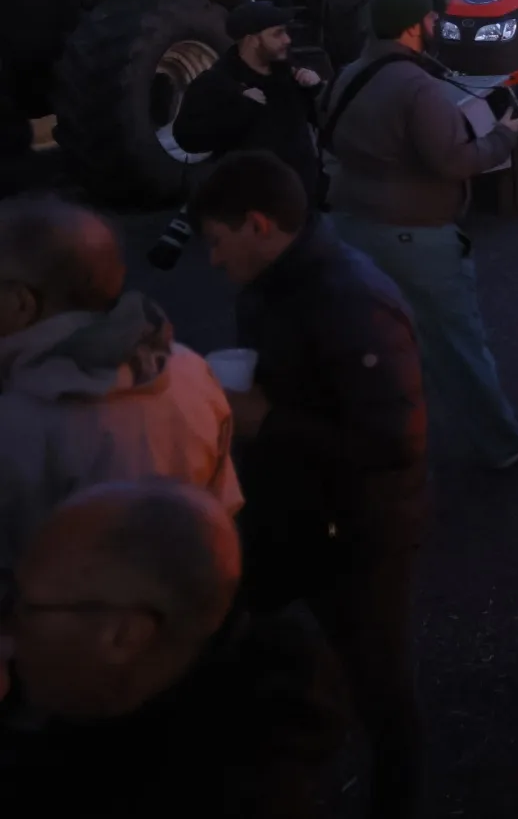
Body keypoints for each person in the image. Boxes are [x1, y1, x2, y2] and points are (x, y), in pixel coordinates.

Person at [189, 152, 427, 819]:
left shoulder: (353, 298)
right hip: (285, 510)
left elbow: (395, 442)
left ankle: (397, 798)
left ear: (259, 224)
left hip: (361, 530)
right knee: (235, 642)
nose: (211, 259)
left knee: (381, 686)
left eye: (216, 240)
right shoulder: (272, 281)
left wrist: (268, 420)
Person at [0, 481, 346, 818]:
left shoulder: (201, 794)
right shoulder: (222, 696)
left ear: (123, 635)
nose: (7, 629)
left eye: (24, 605)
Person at [323, 0, 518, 471]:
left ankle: (372, 439)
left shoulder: (350, 75)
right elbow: (454, 160)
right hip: (414, 237)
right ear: (411, 26)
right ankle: (504, 439)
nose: (436, 26)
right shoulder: (416, 86)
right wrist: (505, 138)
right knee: (457, 344)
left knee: (371, 339)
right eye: (430, 18)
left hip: (351, 226)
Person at [0, 197, 241, 574]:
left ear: (20, 302)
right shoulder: (190, 369)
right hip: (186, 605)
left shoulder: (17, 421)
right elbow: (221, 510)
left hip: (66, 628)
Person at [172, 0, 325, 202]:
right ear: (252, 40)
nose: (287, 39)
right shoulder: (217, 83)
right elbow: (188, 138)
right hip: (252, 208)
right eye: (277, 33)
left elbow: (326, 125)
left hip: (302, 201)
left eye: (286, 32)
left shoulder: (290, 76)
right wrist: (239, 109)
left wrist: (317, 90)